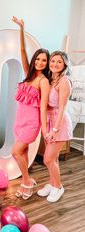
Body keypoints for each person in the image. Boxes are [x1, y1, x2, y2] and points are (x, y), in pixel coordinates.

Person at [11, 16, 50, 199]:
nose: (40, 62)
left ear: (47, 63)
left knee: (15, 152)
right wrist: (21, 28)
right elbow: (22, 50)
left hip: (32, 123)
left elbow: (43, 108)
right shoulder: (28, 75)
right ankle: (27, 181)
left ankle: (26, 181)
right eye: (39, 59)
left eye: (44, 60)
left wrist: (44, 129)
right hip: (20, 120)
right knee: (23, 152)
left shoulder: (43, 81)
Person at [37, 51, 72, 202]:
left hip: (59, 123)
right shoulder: (51, 80)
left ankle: (58, 187)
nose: (55, 64)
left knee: (48, 159)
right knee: (53, 158)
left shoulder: (64, 81)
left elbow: (62, 108)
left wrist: (55, 129)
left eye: (59, 62)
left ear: (64, 64)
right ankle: (52, 184)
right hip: (50, 121)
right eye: (53, 61)